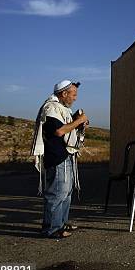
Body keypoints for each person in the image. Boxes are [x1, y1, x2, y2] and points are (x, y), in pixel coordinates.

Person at [30, 80, 88, 238]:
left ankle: (60, 224)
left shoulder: (60, 109)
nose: (75, 98)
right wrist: (79, 121)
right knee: (57, 193)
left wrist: (76, 120)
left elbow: (65, 127)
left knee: (66, 192)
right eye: (73, 94)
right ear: (64, 93)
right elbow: (59, 131)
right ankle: (52, 229)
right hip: (56, 157)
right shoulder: (51, 108)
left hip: (64, 155)